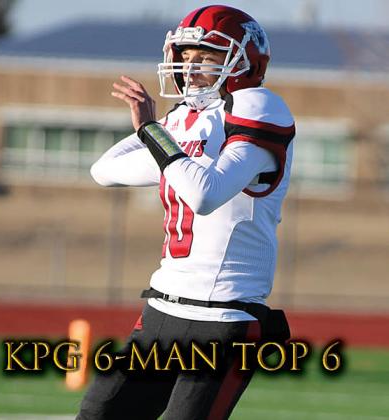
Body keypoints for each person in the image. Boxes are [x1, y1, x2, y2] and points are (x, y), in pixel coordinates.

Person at [81, 5, 295, 420]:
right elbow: (104, 170)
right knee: (97, 415)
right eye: (186, 57)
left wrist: (151, 131)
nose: (190, 68)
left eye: (207, 57)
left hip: (224, 316)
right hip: (161, 309)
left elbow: (205, 194)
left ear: (244, 61)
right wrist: (162, 130)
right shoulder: (187, 121)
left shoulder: (259, 105)